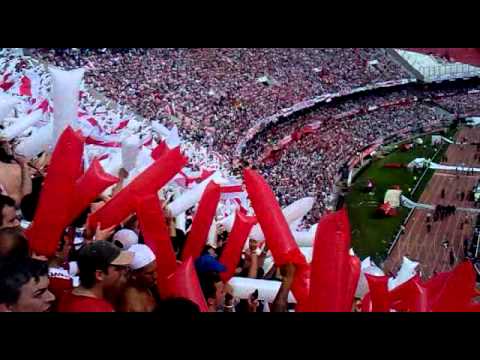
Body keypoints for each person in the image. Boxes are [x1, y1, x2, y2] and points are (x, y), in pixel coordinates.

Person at [58, 241, 133, 312]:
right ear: (99, 275)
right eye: (118, 269)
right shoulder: (100, 309)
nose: (123, 272)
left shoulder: (66, 296)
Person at [117, 244, 158, 312]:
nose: (155, 276)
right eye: (149, 273)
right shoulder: (128, 305)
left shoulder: (148, 287)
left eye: (156, 270)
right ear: (134, 275)